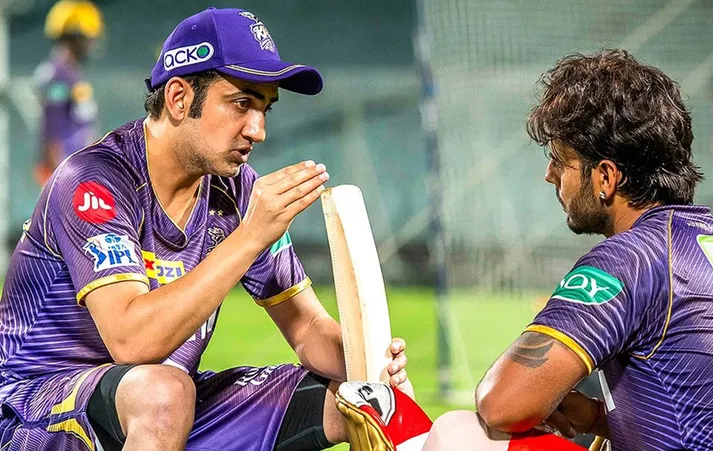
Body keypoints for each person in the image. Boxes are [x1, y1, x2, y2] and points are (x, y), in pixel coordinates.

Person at [0, 7, 411, 451]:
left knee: (348, 400)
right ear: (179, 98)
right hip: (32, 409)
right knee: (164, 394)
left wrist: (368, 362)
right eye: (242, 103)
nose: (258, 130)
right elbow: (132, 342)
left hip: (160, 409)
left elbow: (308, 328)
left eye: (266, 108)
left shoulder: (237, 191)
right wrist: (249, 236)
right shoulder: (93, 180)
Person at [467, 49, 713, 449]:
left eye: (560, 160)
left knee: (460, 431)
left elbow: (502, 404)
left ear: (606, 177)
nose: (549, 174)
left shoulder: (628, 260)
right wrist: (596, 417)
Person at [33, 0, 103, 186]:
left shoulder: (72, 73)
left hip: (77, 171)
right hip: (66, 175)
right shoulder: (58, 74)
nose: (91, 44)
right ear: (73, 38)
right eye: (88, 39)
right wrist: (61, 182)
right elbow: (52, 127)